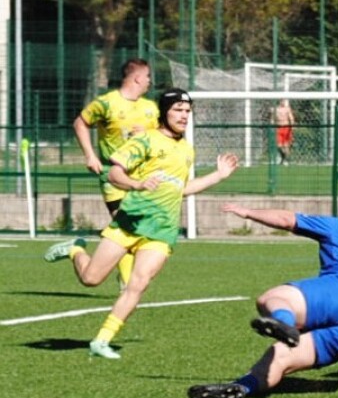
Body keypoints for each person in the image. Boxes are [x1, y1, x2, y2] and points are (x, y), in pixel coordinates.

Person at [44, 89, 239, 359]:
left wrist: (218, 175)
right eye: (178, 110)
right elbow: (114, 174)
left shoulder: (186, 149)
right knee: (91, 279)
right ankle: (75, 250)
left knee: (138, 284)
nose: (184, 115)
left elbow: (182, 189)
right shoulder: (146, 139)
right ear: (164, 112)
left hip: (162, 231)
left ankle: (102, 340)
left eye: (187, 111)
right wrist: (137, 184)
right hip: (130, 223)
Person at [188, 207, 338, 398]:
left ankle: (285, 324)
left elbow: (286, 219)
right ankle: (243, 387)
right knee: (279, 358)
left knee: (272, 299)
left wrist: (249, 213)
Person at [73, 58, 159, 288]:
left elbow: (162, 137)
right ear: (137, 78)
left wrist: (148, 133)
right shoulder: (106, 103)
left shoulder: (151, 108)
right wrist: (90, 155)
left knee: (139, 232)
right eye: (148, 76)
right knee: (126, 225)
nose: (150, 81)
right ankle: (126, 282)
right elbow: (80, 123)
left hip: (144, 178)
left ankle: (75, 251)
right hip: (113, 175)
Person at [274, 99, 295, 165]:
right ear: (279, 101)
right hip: (279, 128)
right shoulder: (276, 109)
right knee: (279, 146)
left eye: (283, 100)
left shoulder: (287, 109)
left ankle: (286, 160)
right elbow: (273, 118)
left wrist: (292, 127)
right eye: (281, 100)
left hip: (286, 128)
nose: (283, 102)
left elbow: (291, 118)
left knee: (286, 145)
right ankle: (282, 157)